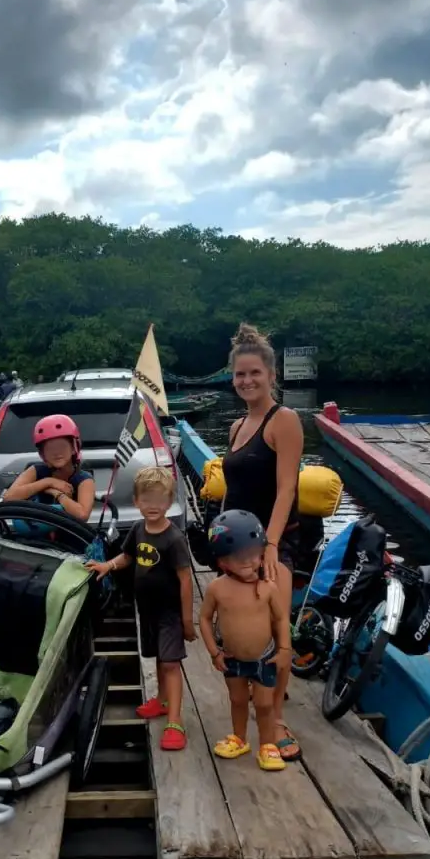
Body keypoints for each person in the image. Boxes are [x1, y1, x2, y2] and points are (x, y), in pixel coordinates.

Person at [221, 322, 304, 762]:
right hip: (234, 548)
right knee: (240, 629)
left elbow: (286, 489)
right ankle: (248, 704)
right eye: (240, 375)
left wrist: (269, 547)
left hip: (275, 541)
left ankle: (275, 718)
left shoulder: (283, 420)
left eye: (255, 373)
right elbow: (233, 490)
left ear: (272, 375)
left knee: (275, 629)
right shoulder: (237, 426)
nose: (247, 381)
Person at [86, 467, 195, 751]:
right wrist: (107, 566)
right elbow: (127, 556)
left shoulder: (174, 539)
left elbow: (185, 579)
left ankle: (175, 721)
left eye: (160, 500)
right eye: (146, 500)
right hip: (146, 609)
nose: (153, 506)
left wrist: (187, 620)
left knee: (171, 662)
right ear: (136, 501)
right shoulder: (137, 529)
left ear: (170, 501)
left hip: (170, 612)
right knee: (159, 657)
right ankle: (161, 700)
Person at [199, 509, 292, 772]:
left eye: (254, 555)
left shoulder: (268, 588)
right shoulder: (217, 588)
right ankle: (239, 738)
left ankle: (267, 745)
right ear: (223, 562)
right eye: (240, 559)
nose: (250, 562)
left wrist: (285, 648)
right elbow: (205, 619)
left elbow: (282, 619)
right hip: (232, 659)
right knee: (237, 700)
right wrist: (214, 652)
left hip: (264, 657)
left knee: (264, 704)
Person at [2, 414, 95, 523]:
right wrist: (48, 482)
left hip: (69, 535)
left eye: (62, 446)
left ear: (74, 448)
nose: (57, 453)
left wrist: (58, 494)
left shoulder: (84, 479)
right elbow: (9, 497)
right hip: (37, 533)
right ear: (43, 454)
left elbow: (82, 515)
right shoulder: (37, 470)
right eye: (50, 449)